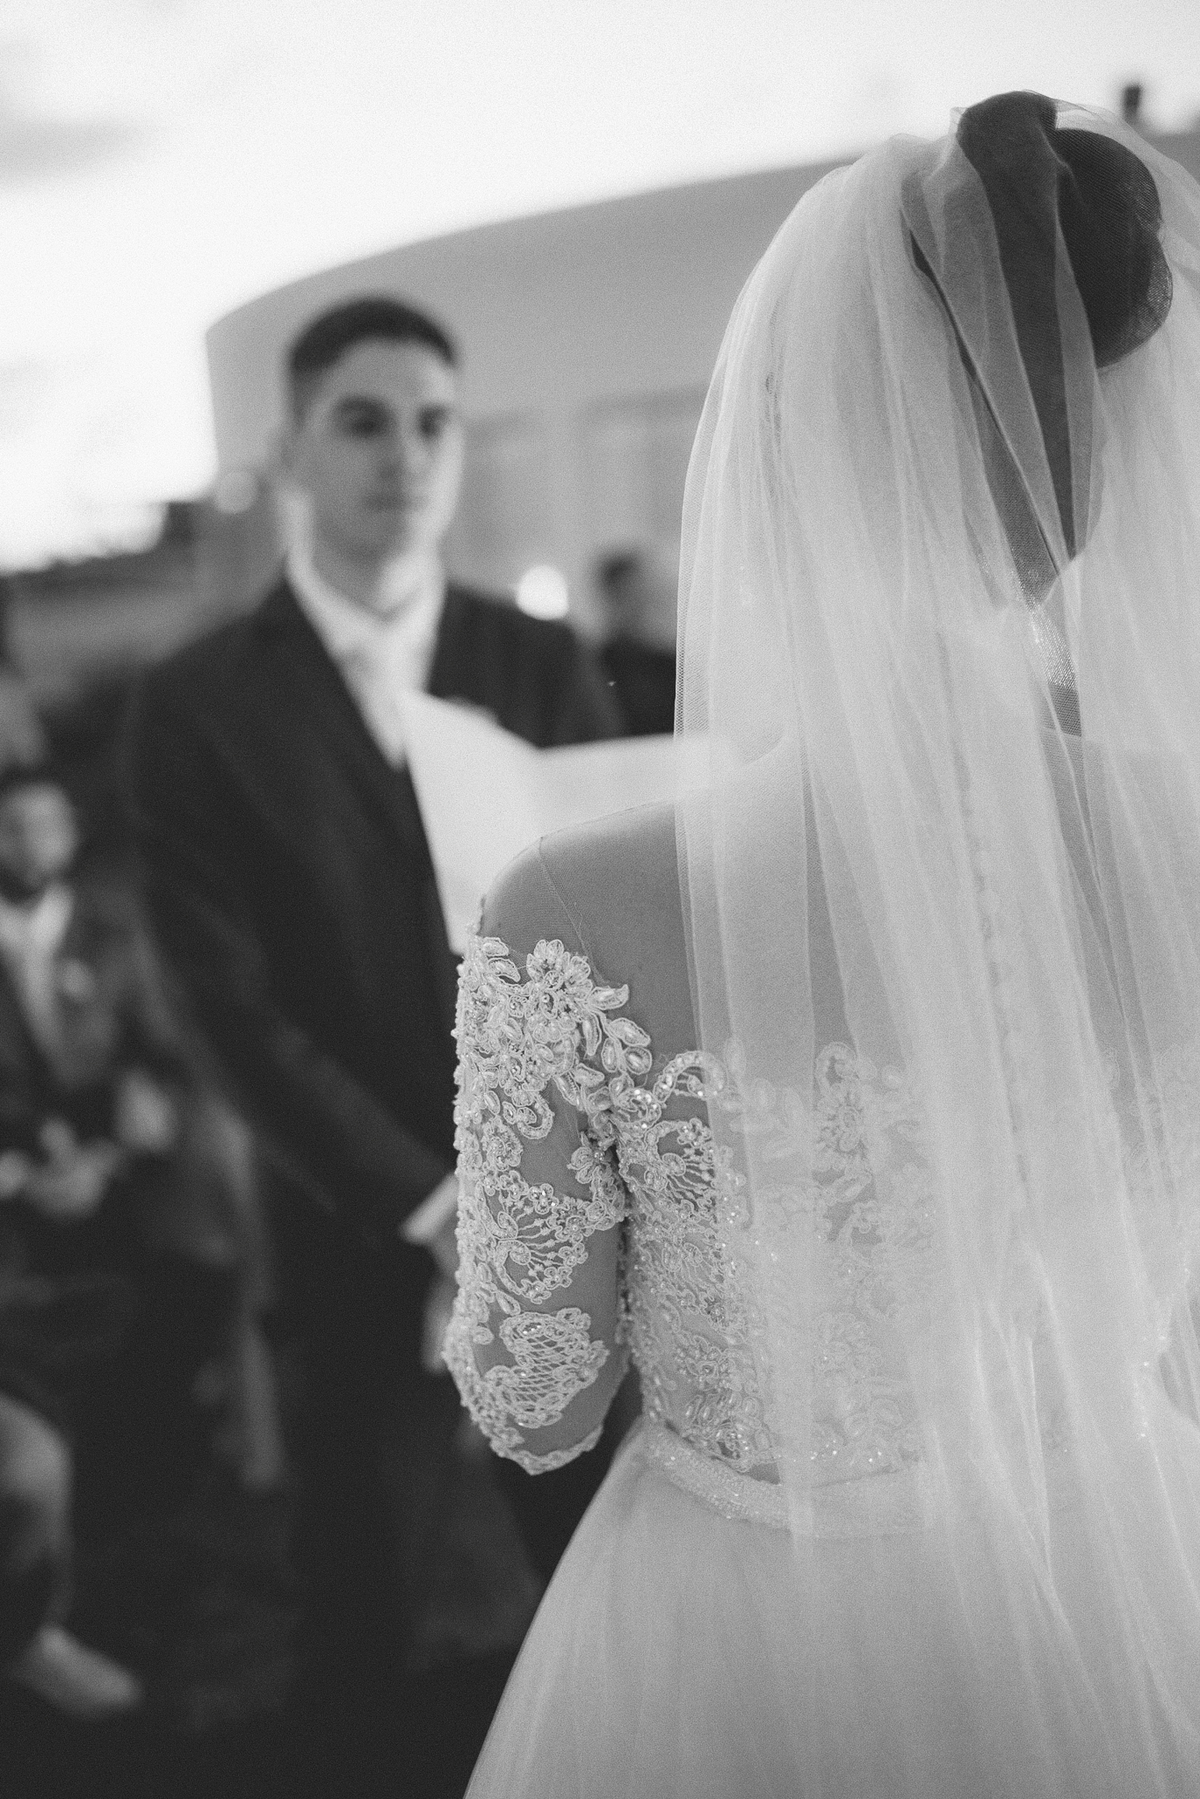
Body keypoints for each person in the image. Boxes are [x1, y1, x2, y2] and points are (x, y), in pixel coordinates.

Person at [445, 93, 1200, 1797]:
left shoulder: (570, 909)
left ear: (777, 472)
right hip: (1135, 1585)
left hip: (742, 1643)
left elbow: (541, 1401)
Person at [124, 295, 622, 1794]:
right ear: (288, 451)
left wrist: (531, 1196)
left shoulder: (535, 659)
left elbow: (600, 927)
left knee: (606, 1586)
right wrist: (434, 1201)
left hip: (564, 1220)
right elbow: (225, 1008)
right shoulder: (194, 704)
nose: (404, 453)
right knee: (367, 1624)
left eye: (432, 421)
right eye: (363, 419)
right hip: (351, 1227)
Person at [0, 765, 264, 1719]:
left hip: (118, 1169)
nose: (31, 844)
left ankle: (155, 1508)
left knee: (181, 1275)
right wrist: (28, 1165)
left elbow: (159, 1051)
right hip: (18, 1183)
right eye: (12, 828)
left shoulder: (114, 934)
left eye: (45, 824)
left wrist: (117, 1141)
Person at [594, 546, 678, 737]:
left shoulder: (668, 664)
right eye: (629, 596)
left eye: (643, 596)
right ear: (610, 598)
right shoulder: (594, 663)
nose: (639, 605)